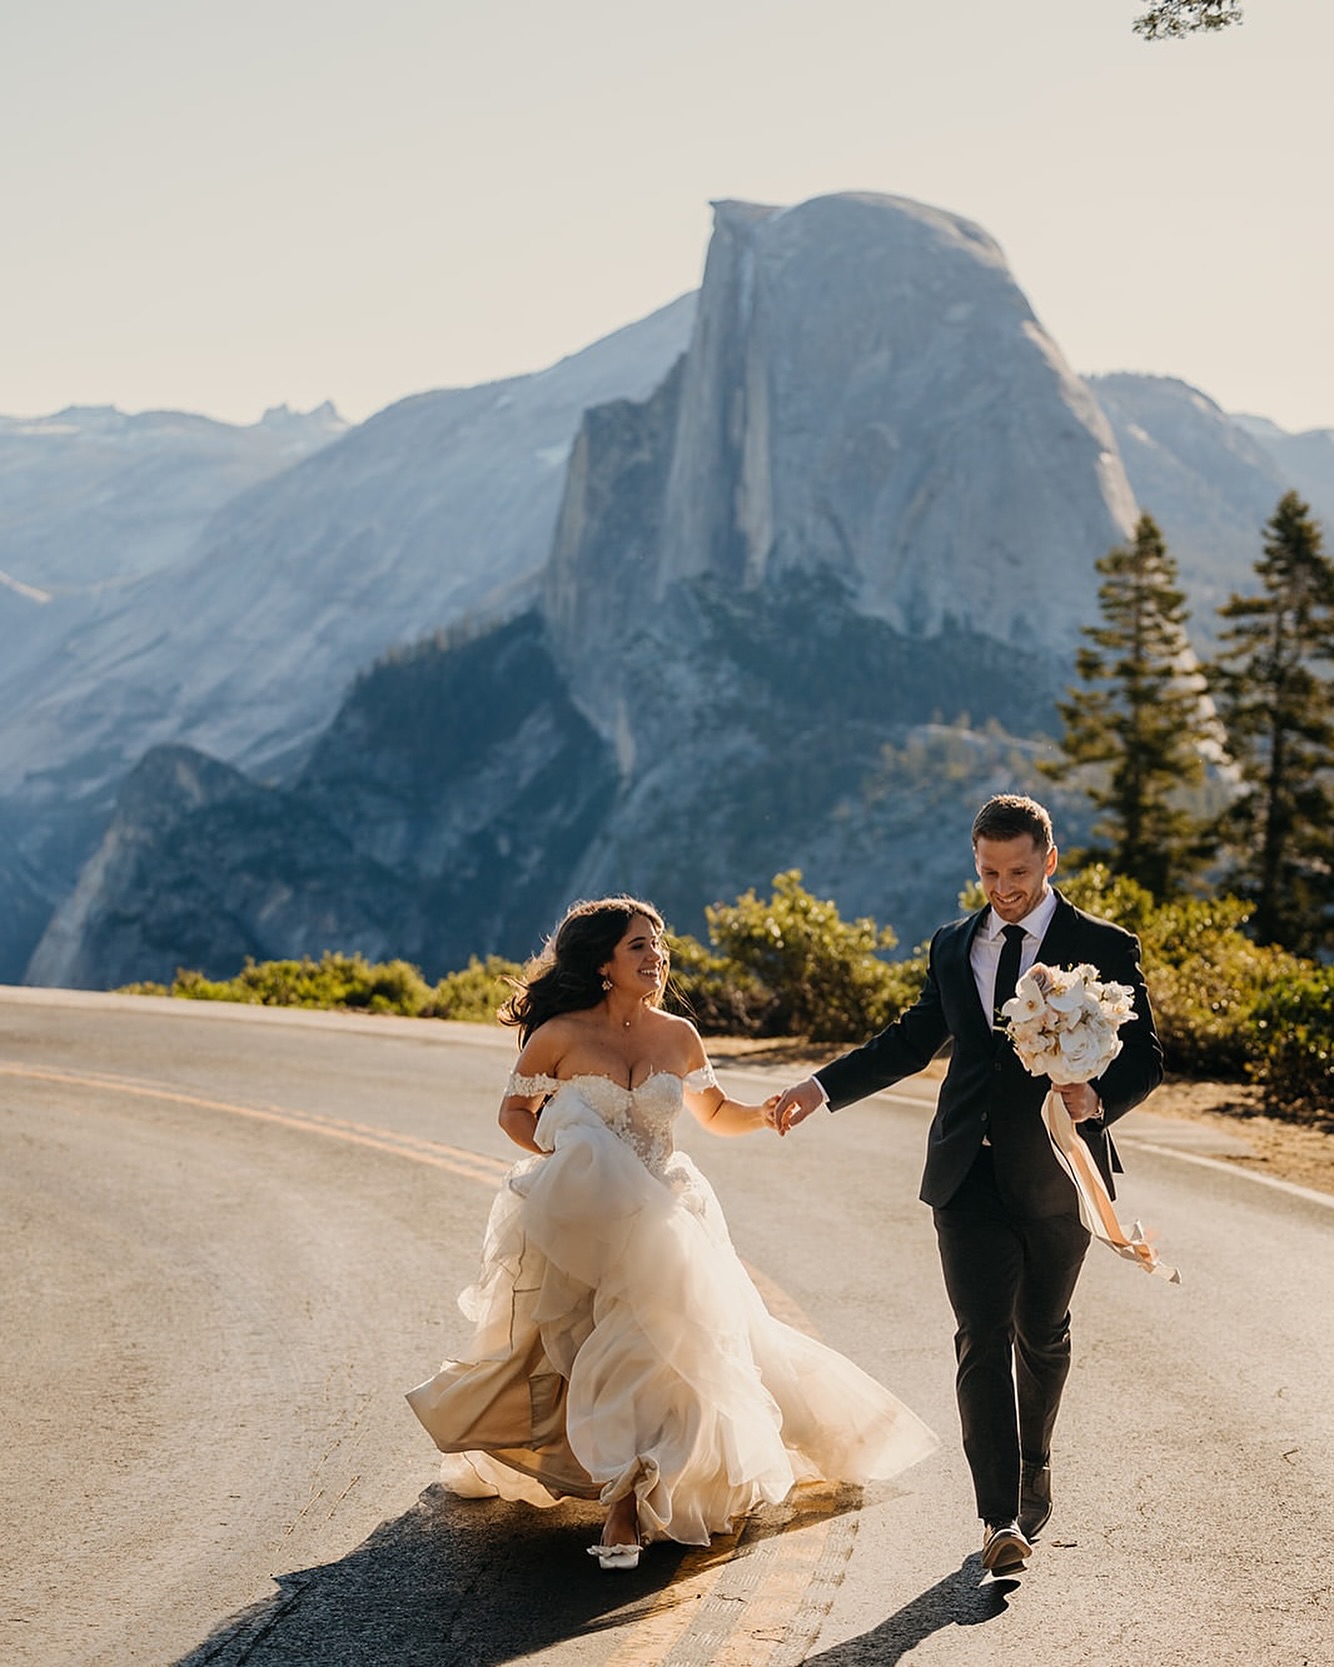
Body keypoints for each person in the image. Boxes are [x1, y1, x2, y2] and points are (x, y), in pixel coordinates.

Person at [408, 895, 936, 1570]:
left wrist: (770, 1112)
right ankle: (617, 1475)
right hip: (585, 1217)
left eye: (659, 947)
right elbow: (514, 1113)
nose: (656, 957)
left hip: (667, 1212)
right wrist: (570, 1165)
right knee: (574, 1351)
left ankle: (629, 1496)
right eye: (638, 946)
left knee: (656, 1348)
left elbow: (715, 1113)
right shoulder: (560, 1034)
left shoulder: (678, 1036)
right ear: (603, 961)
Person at [772, 795, 1162, 1576]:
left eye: (1018, 870)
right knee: (981, 1335)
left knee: (1041, 1333)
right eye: (989, 870)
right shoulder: (956, 944)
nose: (1003, 886)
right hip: (964, 1173)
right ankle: (998, 1518)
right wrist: (821, 1087)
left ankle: (1033, 1461)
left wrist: (1098, 1096)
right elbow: (914, 1037)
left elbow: (1145, 1054)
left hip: (1058, 1172)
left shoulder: (1104, 946)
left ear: (1049, 860)